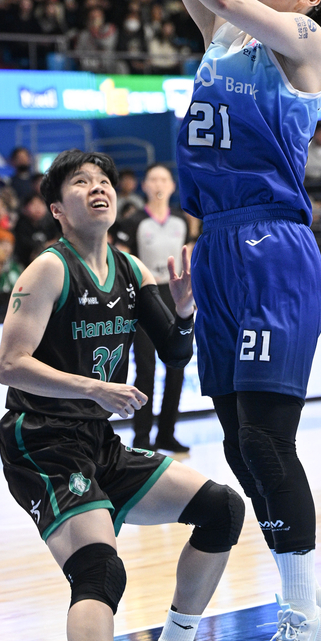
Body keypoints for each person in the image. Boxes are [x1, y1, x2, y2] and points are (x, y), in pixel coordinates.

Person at [100, 0, 321, 641]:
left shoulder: (306, 42)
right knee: (241, 449)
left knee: (267, 440)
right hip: (218, 253)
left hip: (274, 249)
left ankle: (301, 622)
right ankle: (315, 599)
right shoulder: (221, 41)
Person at [0, 150, 245, 641]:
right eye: (80, 182)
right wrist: (92, 387)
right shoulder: (48, 270)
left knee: (222, 509)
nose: (97, 188)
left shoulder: (132, 269)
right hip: (42, 441)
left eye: (104, 180)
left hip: (97, 440)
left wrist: (184, 311)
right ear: (58, 210)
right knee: (100, 570)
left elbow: (176, 351)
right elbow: (10, 364)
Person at [128, 163, 192, 453]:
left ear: (172, 186)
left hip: (176, 295)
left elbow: (188, 260)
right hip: (145, 295)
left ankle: (167, 433)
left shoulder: (181, 220)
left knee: (177, 366)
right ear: (144, 185)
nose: (158, 184)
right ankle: (142, 439)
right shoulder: (134, 221)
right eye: (152, 179)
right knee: (146, 368)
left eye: (163, 179)